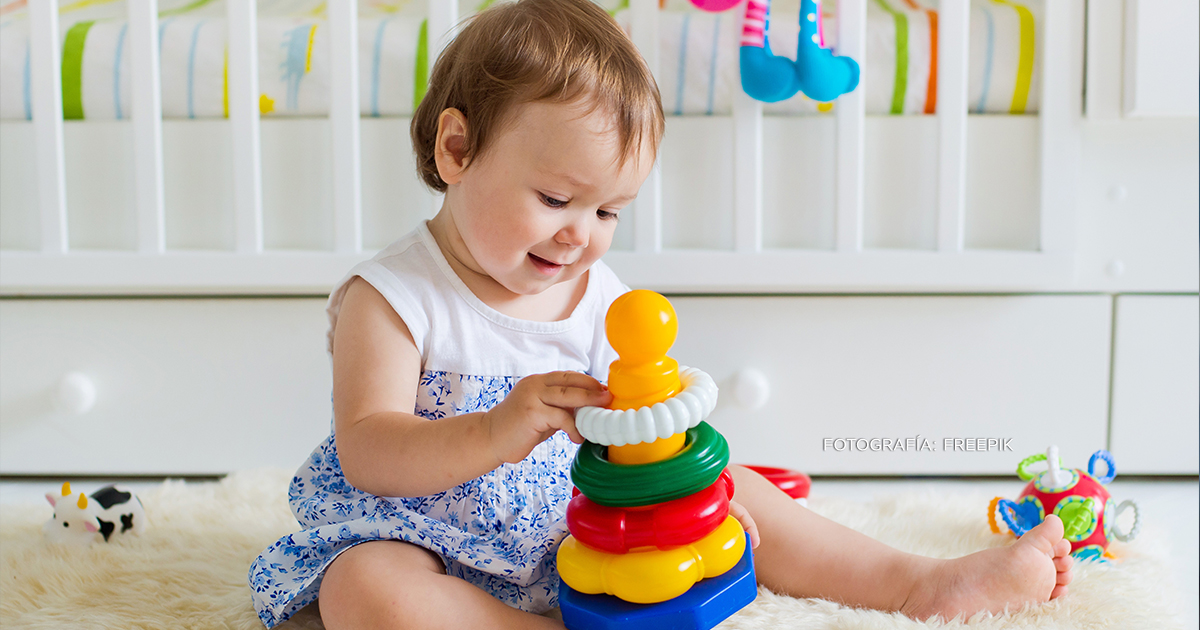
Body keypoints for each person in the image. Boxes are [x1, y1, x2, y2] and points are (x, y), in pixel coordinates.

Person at [248, 1, 1073, 627]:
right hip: (430, 542)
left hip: (578, 528)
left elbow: (640, 433)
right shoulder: (392, 297)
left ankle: (921, 584)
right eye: (557, 198)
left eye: (610, 212)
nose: (582, 236)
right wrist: (499, 428)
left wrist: (688, 504)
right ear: (457, 151)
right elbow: (368, 451)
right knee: (364, 589)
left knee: (734, 481)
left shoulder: (602, 299)